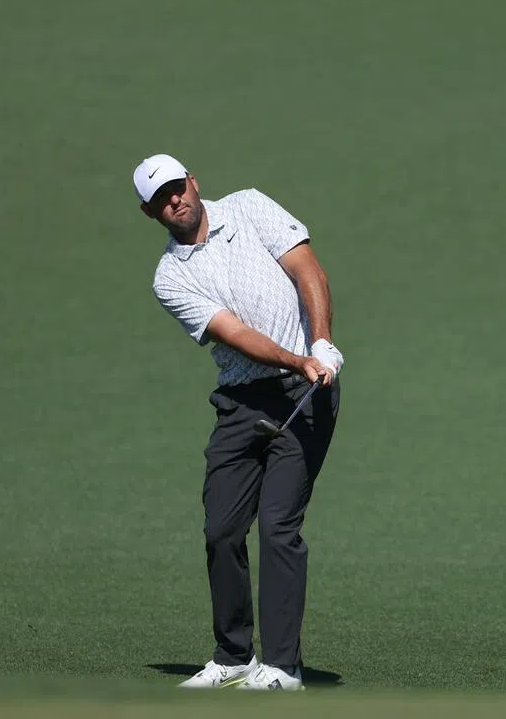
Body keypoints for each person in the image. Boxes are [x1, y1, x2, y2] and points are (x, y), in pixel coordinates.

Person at [133, 153, 344, 691]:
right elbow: (235, 335)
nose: (173, 200)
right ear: (149, 212)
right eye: (160, 199)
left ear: (193, 182)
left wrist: (318, 343)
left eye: (177, 187)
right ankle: (233, 655)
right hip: (240, 405)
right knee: (221, 530)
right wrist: (294, 356)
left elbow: (308, 270)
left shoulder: (250, 207)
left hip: (305, 395)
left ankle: (282, 667)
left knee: (278, 526)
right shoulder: (169, 278)